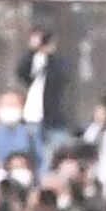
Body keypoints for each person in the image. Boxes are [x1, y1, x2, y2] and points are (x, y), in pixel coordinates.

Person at [15, 27, 74, 161]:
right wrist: (32, 51)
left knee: (53, 156)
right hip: (31, 118)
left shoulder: (58, 62)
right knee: (30, 156)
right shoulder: (34, 60)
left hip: (53, 119)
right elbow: (21, 72)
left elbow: (60, 77)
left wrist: (49, 55)